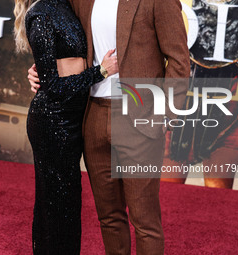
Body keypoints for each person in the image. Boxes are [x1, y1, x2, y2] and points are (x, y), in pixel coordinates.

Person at [28, 0, 190, 254]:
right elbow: (61, 41)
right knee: (109, 218)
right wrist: (41, 70)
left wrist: (163, 117)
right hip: (93, 115)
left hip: (139, 118)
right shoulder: (80, 1)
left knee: (145, 222)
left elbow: (179, 61)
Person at [13, 0, 118, 254]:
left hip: (74, 119)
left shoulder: (67, 5)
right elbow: (54, 88)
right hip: (52, 121)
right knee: (55, 205)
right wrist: (101, 72)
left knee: (68, 204)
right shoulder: (39, 13)